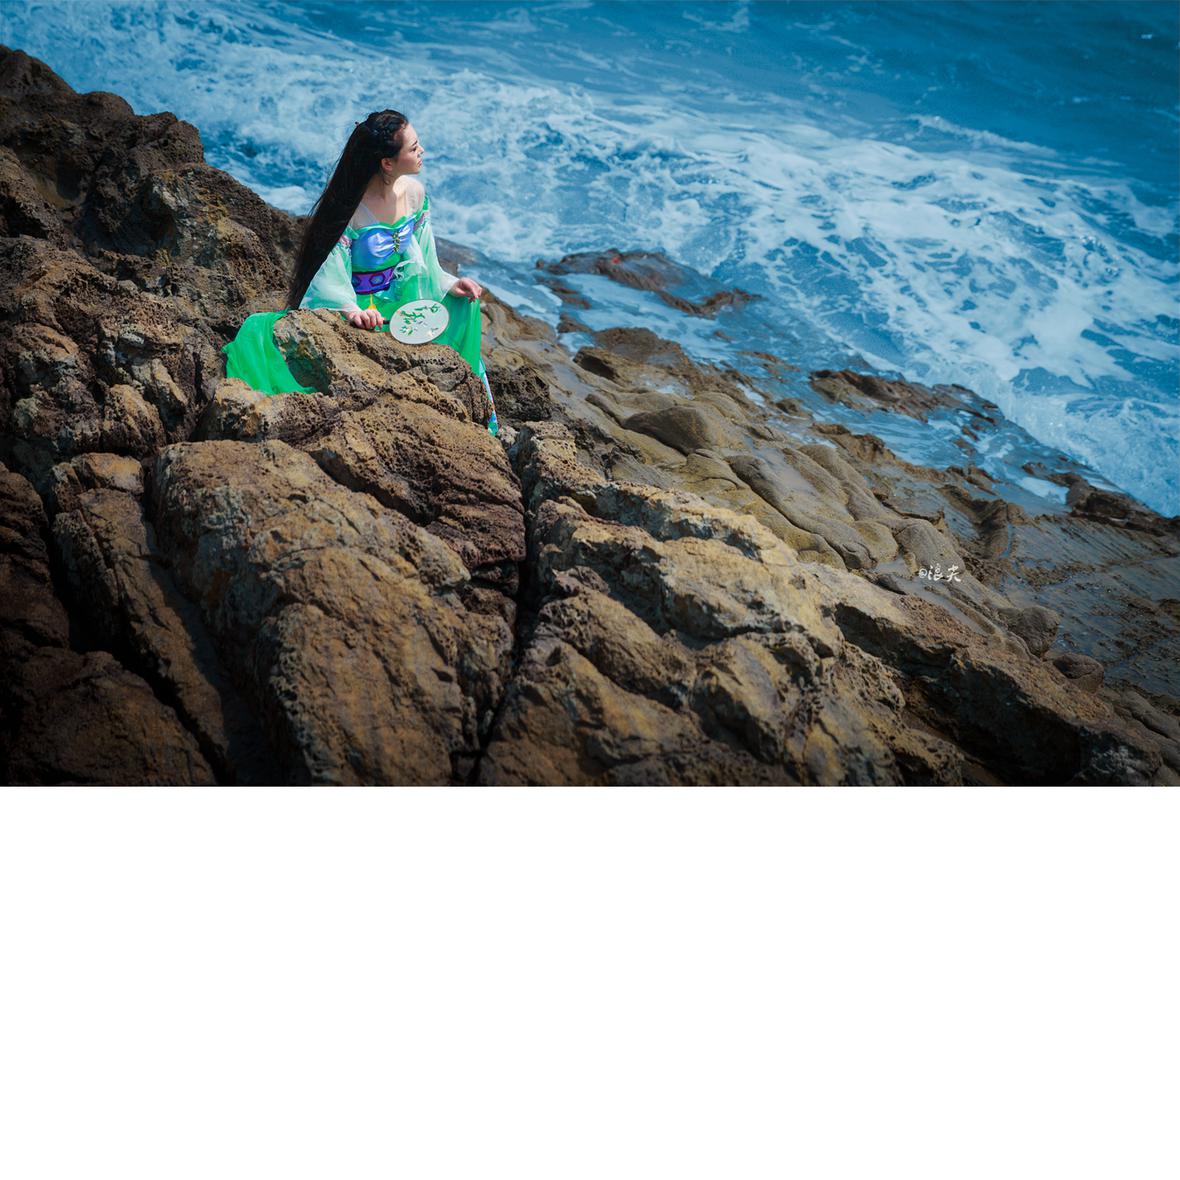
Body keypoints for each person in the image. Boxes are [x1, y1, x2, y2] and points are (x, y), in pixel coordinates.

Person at [220, 109, 498, 435]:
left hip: (398, 296)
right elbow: (331, 274)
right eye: (413, 148)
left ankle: (469, 403)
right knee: (267, 337)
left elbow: (423, 257)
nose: (422, 151)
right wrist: (352, 310)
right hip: (357, 306)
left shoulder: (415, 194)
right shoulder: (350, 206)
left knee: (466, 305)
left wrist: (450, 284)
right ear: (387, 163)